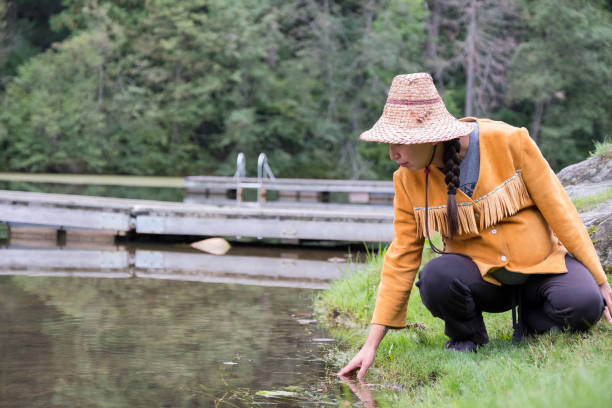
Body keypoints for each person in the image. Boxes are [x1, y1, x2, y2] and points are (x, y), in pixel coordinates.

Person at [337, 72, 611, 379]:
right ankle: (467, 337)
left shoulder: (510, 141)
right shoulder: (406, 179)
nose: (392, 153)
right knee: (436, 277)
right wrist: (371, 344)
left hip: (542, 268)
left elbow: (561, 211)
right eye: (389, 142)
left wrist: (600, 280)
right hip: (483, 283)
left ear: (431, 136)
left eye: (400, 142)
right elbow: (401, 256)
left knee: (585, 305)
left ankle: (533, 322)